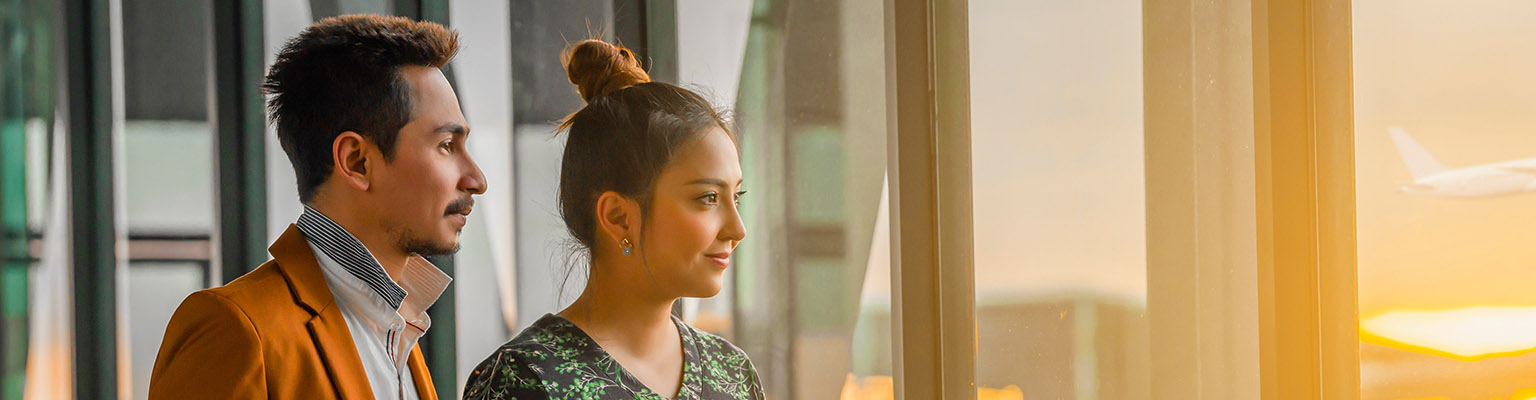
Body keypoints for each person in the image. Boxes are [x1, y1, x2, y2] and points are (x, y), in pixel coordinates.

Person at [148, 14, 485, 399]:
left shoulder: (397, 331)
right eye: (446, 146)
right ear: (356, 161)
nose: (477, 179)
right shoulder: (238, 330)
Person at [461, 39, 763, 400]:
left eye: (736, 197)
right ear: (618, 217)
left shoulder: (732, 372)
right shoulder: (526, 380)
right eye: (708, 198)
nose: (737, 229)